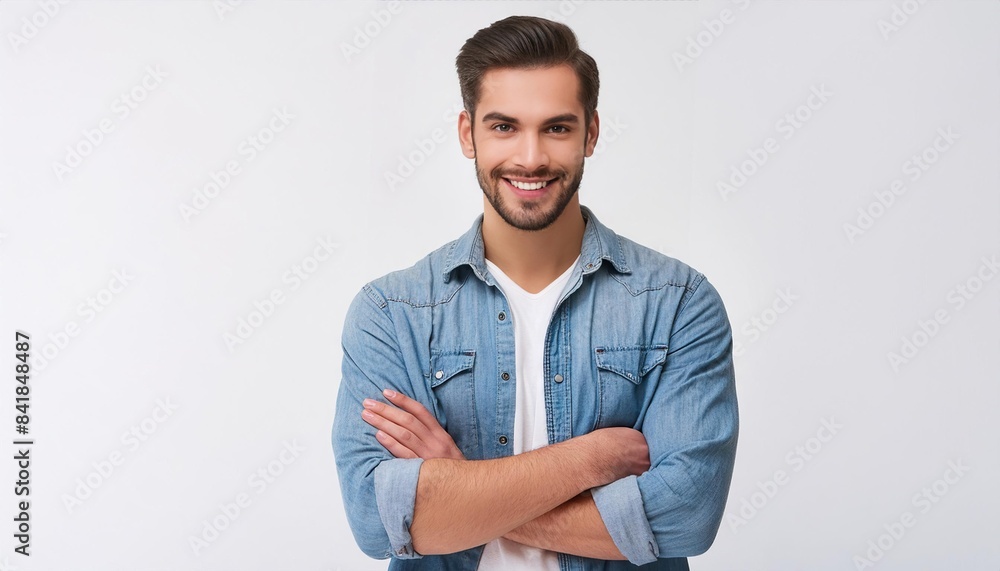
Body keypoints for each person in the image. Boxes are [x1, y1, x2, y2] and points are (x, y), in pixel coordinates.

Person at [332, 15, 738, 570]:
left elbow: (685, 517)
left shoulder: (678, 303)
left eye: (557, 128)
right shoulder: (391, 313)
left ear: (590, 133)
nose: (530, 158)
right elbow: (377, 522)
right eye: (503, 127)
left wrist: (459, 484)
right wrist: (591, 460)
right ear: (466, 133)